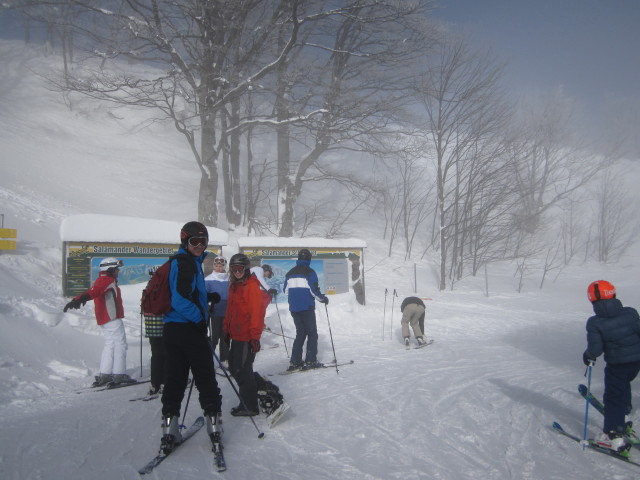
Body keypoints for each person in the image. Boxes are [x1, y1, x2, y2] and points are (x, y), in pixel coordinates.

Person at [160, 221, 222, 454]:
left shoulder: (188, 262)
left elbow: (189, 291)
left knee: (175, 380)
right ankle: (214, 429)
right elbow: (179, 299)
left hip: (174, 330)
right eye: (194, 241)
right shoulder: (185, 263)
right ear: (185, 242)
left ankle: (169, 431)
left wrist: (208, 295)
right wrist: (198, 318)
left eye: (203, 241)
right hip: (188, 329)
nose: (199, 245)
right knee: (206, 379)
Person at [583, 280, 640, 456]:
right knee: (624, 385)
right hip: (636, 362)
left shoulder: (594, 323)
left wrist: (588, 356)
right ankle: (624, 414)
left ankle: (613, 435)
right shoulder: (630, 313)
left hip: (617, 364)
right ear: (613, 294)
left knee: (614, 395)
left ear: (592, 300)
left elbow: (596, 349)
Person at [63, 257, 135, 387]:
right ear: (110, 269)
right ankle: (119, 374)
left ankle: (105, 374)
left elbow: (93, 291)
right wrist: (80, 299)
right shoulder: (107, 280)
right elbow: (95, 291)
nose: (118, 271)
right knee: (120, 344)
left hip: (105, 319)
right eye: (116, 268)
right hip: (112, 318)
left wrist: (77, 299)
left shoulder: (102, 279)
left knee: (110, 344)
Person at [223, 253, 266, 416]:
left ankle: (250, 405)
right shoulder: (234, 286)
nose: (237, 272)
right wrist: (226, 330)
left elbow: (257, 313)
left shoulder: (251, 286)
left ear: (246, 269)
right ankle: (254, 387)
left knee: (241, 369)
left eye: (240, 268)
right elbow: (230, 310)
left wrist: (255, 337)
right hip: (236, 335)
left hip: (247, 336)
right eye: (234, 269)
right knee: (235, 367)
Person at [283, 248, 328, 371]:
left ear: (298, 258)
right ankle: (310, 360)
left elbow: (285, 291)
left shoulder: (289, 273)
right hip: (307, 308)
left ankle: (295, 362)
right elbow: (314, 291)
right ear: (309, 259)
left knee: (300, 334)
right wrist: (323, 299)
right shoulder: (310, 272)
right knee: (312, 334)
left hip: (294, 308)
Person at [143, 265, 165, 395]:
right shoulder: (164, 287)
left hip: (151, 326)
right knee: (167, 354)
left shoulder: (148, 287)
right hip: (163, 325)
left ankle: (154, 383)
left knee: (156, 354)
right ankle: (165, 382)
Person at [205, 256, 230, 366]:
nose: (219, 268)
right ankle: (208, 359)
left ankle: (224, 359)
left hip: (227, 311)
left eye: (221, 266)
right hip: (215, 311)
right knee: (214, 336)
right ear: (214, 266)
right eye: (217, 266)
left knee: (225, 336)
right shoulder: (209, 279)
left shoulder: (229, 279)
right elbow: (204, 295)